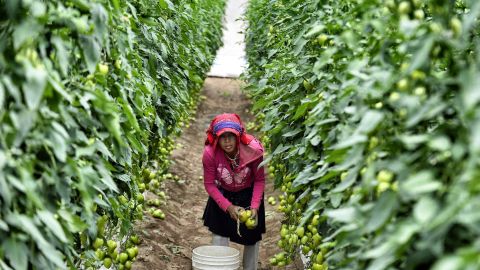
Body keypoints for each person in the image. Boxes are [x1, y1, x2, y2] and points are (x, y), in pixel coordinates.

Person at [202, 113, 266, 270]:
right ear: (217, 138)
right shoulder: (210, 154)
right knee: (220, 236)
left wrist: (255, 207)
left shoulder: (253, 151)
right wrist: (228, 207)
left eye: (231, 136)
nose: (227, 140)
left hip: (248, 194)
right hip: (223, 194)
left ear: (238, 136)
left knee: (251, 239)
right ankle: (220, 266)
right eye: (223, 137)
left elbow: (259, 180)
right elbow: (210, 184)